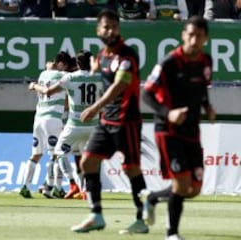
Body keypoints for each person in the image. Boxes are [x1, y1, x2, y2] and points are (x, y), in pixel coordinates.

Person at [71, 9, 149, 235]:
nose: (110, 30)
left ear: (119, 29)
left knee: (132, 168)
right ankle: (96, 215)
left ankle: (141, 218)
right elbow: (96, 70)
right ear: (98, 30)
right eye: (106, 27)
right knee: (87, 163)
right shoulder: (101, 56)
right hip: (107, 121)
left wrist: (94, 107)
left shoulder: (128, 55)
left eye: (114, 26)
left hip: (128, 120)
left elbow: (119, 85)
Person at [141, 16, 216, 240]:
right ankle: (171, 234)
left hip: (192, 130)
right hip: (168, 129)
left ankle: (152, 198)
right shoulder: (169, 62)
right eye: (190, 35)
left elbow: (202, 88)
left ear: (205, 38)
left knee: (193, 189)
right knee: (182, 183)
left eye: (199, 36)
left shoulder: (206, 61)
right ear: (183, 35)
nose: (194, 40)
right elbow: (146, 93)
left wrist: (207, 106)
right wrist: (168, 113)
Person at [30, 50, 104, 199]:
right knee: (89, 157)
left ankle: (75, 183)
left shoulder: (70, 78)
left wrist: (34, 86)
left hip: (74, 126)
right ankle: (86, 190)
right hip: (94, 126)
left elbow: (48, 91)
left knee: (58, 154)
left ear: (77, 64)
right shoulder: (99, 78)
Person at [19, 51, 73, 199]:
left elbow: (49, 67)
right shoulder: (63, 77)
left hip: (38, 118)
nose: (66, 69)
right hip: (53, 119)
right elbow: (67, 102)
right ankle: (57, 187)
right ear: (61, 64)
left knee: (36, 154)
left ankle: (25, 186)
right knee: (56, 154)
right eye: (66, 66)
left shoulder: (43, 74)